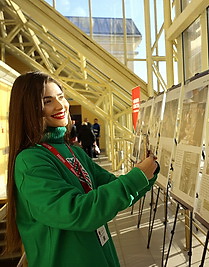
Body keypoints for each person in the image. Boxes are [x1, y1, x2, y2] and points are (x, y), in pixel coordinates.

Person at [5, 71, 159, 266]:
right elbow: (77, 212)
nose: (60, 106)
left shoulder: (73, 151)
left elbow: (115, 187)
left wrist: (148, 172)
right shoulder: (30, 160)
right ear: (28, 108)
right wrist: (137, 177)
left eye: (61, 97)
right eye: (47, 101)